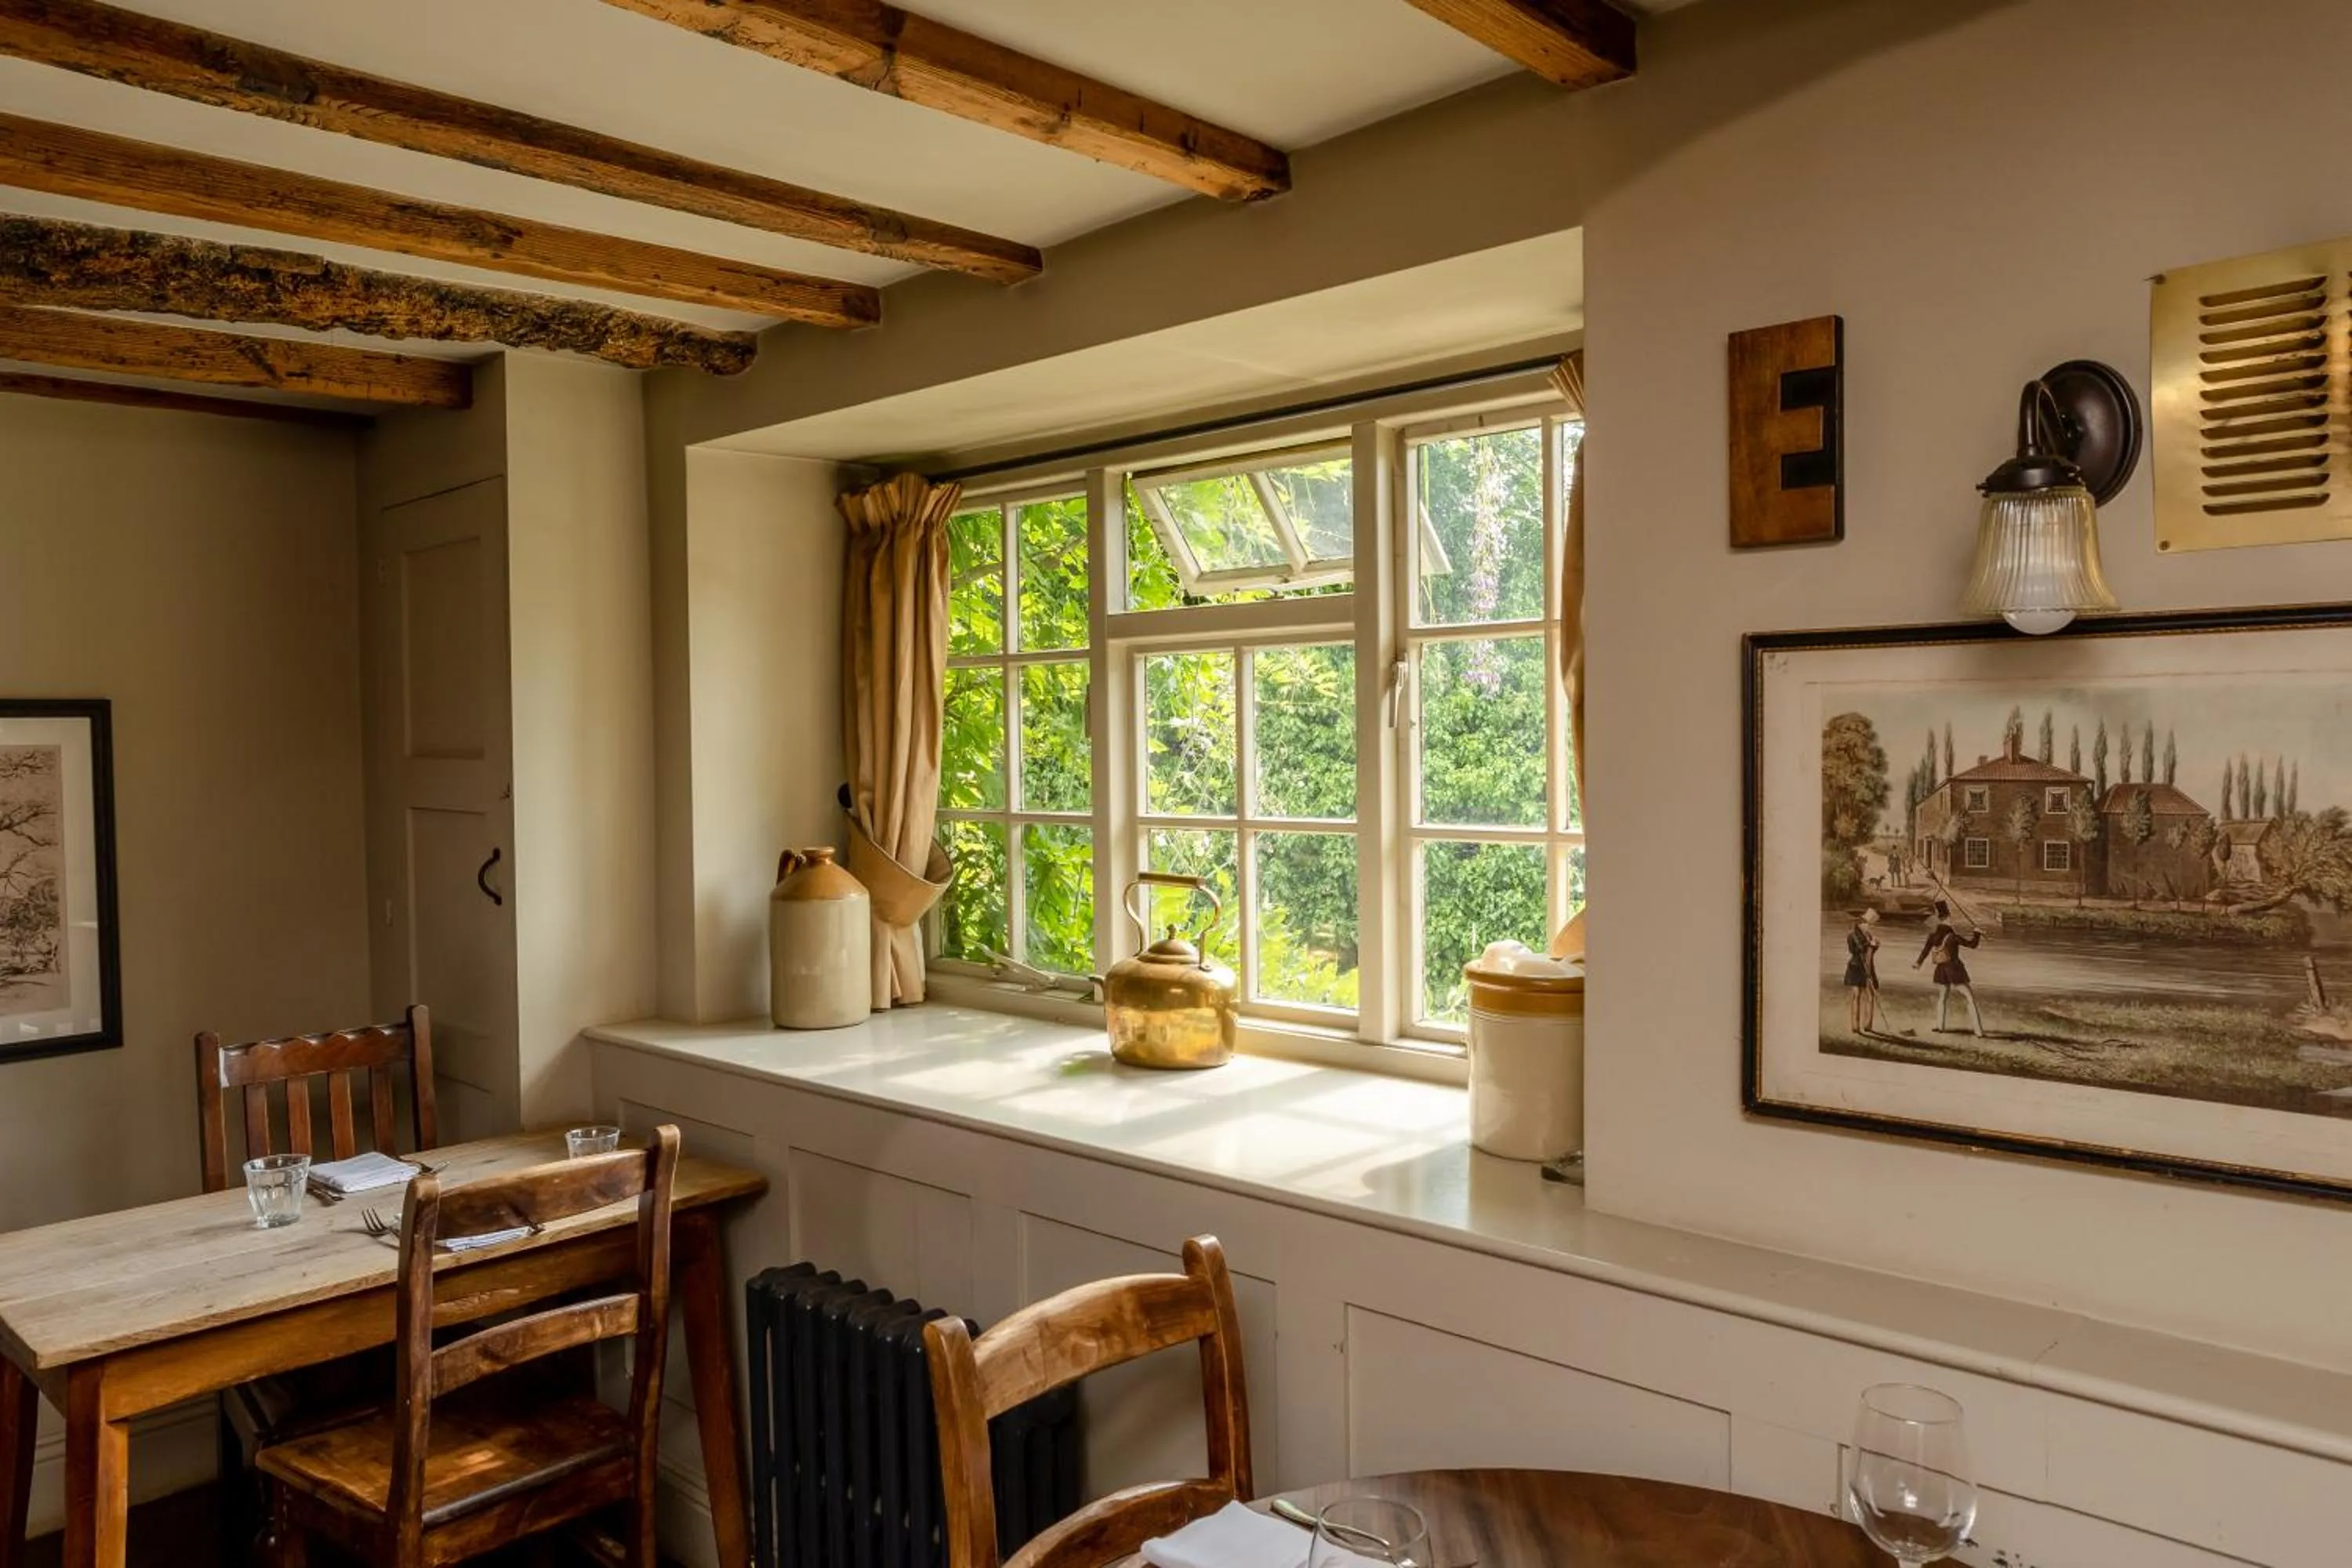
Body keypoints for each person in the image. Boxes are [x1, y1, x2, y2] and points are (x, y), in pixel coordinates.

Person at [1914, 898, 1985, 1036]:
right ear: (1947, 917)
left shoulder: (1933, 934)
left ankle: (1940, 1026)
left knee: (1942, 997)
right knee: (1969, 998)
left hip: (1941, 970)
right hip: (1954, 969)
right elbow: (1972, 945)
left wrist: (1918, 963)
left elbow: (1926, 949)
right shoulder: (1952, 936)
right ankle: (1979, 1031)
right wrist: (1977, 933)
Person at [1842, 908, 1883, 1033]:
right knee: (1857, 995)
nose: (1869, 926)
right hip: (1856, 968)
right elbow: (1855, 950)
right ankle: (1855, 1026)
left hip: (1868, 968)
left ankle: (1868, 1025)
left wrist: (1875, 946)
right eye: (1867, 924)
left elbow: (1870, 954)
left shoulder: (1868, 935)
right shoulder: (1852, 935)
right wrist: (1869, 944)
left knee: (1871, 995)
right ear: (1861, 923)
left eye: (1870, 924)